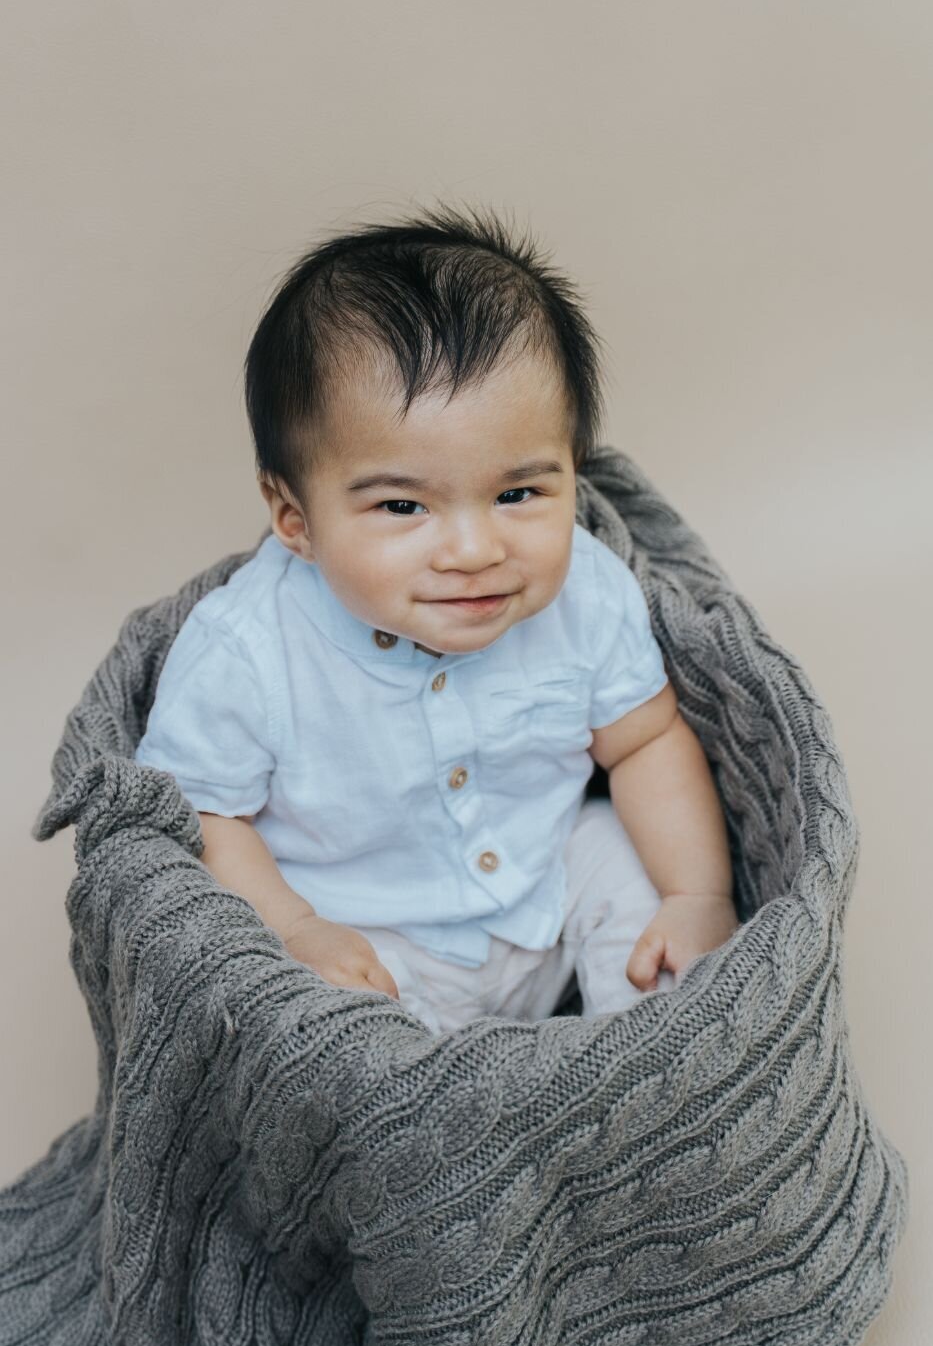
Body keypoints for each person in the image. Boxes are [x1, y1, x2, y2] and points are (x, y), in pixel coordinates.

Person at [134, 204, 740, 1036]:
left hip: (544, 887)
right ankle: (439, 1105)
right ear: (295, 519)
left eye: (518, 493)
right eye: (401, 505)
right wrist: (296, 927)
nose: (471, 548)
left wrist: (693, 894)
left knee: (626, 868)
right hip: (373, 945)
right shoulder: (248, 648)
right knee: (314, 1026)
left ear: (573, 467)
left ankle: (645, 1052)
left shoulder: (588, 590)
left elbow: (641, 740)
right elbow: (203, 814)